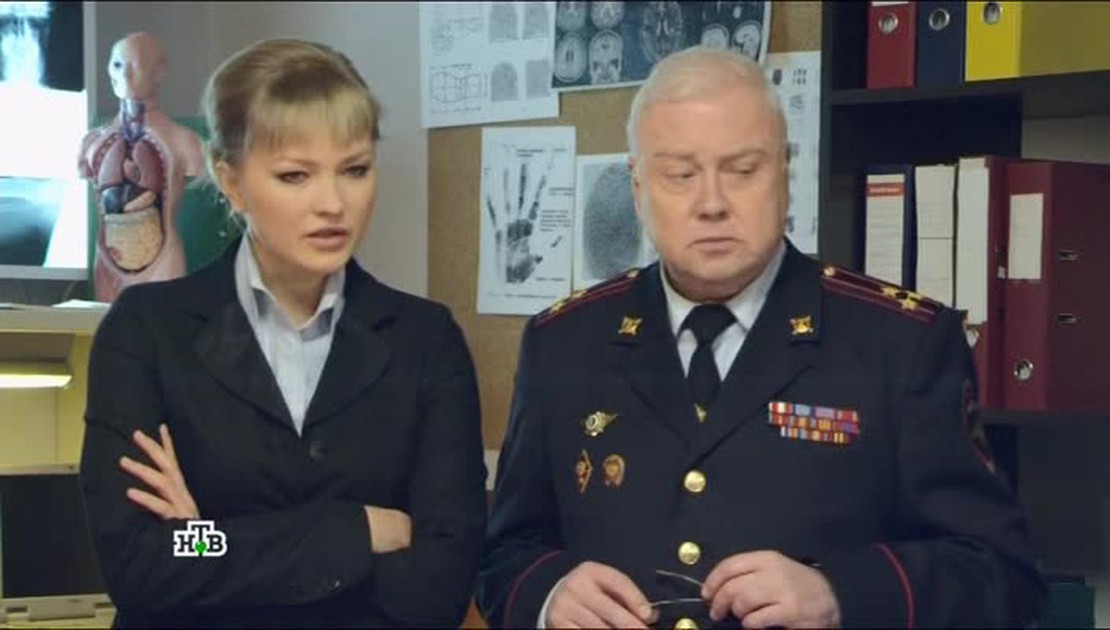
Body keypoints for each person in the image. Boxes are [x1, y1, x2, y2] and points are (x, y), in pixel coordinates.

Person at [478, 46, 1045, 629]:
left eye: (743, 170)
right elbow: (504, 553)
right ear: (638, 186)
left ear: (785, 171)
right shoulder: (563, 342)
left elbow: (1001, 574)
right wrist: (549, 594)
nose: (712, 204)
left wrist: (840, 594)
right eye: (680, 176)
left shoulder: (901, 343)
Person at [79, 38, 487, 627]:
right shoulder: (146, 332)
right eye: (295, 175)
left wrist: (212, 537)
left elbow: (443, 582)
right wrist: (357, 530)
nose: (333, 204)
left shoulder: (426, 341)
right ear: (230, 181)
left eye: (355, 170)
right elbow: (142, 561)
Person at [78, 31, 205, 302]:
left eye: (134, 65)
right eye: (117, 65)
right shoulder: (92, 144)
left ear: (159, 72)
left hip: (163, 264)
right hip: (109, 266)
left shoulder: (184, 142)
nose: (124, 74)